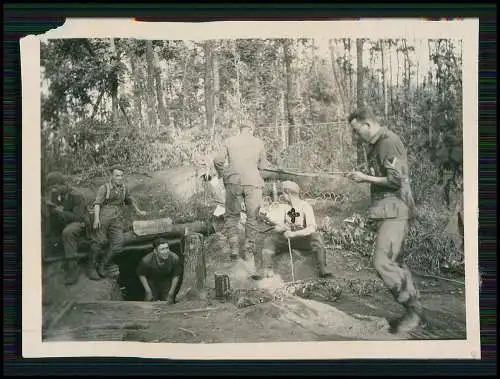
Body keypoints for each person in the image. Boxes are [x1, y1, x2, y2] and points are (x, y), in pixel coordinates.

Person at [346, 106, 422, 334]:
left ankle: (413, 312)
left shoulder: (388, 141)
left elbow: (396, 181)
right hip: (388, 210)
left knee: (383, 263)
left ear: (368, 124)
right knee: (395, 263)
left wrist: (364, 178)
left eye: (357, 131)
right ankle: (414, 311)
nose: (356, 136)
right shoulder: (378, 144)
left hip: (395, 210)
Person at [213, 121, 269, 264]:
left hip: (233, 181)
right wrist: (256, 176)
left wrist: (222, 174)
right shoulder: (258, 142)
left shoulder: (229, 141)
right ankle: (249, 252)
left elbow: (218, 160)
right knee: (252, 217)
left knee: (231, 216)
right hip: (253, 182)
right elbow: (263, 166)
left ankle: (234, 249)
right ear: (251, 129)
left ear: (240, 129)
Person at [258, 180, 333, 279]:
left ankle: (323, 269)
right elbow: (278, 226)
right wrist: (280, 227)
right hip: (287, 239)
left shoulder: (305, 206)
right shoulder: (284, 207)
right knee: (269, 240)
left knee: (317, 237)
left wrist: (294, 234)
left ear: (287, 192)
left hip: (303, 239)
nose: (282, 196)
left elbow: (311, 228)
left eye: (283, 193)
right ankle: (267, 270)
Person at [90, 166, 147, 279]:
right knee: (98, 242)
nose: (120, 178)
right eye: (117, 175)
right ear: (112, 176)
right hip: (104, 216)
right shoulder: (104, 188)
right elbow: (97, 204)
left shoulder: (123, 188)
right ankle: (91, 268)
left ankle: (103, 264)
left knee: (118, 243)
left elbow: (130, 200)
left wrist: (138, 211)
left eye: (121, 175)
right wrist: (96, 219)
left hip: (116, 218)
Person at [43, 172, 96, 285]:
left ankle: (73, 269)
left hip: (79, 222)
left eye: (56, 187)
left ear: (63, 184)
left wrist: (60, 211)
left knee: (68, 232)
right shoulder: (55, 194)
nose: (54, 190)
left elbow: (78, 216)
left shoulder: (76, 195)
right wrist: (52, 209)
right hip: (64, 220)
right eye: (52, 188)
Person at [136, 238, 184, 304]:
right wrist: (148, 291)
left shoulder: (174, 258)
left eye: (167, 248)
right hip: (151, 281)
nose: (166, 251)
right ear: (155, 251)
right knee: (149, 302)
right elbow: (141, 274)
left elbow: (176, 275)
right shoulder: (146, 261)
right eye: (162, 249)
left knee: (168, 302)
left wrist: (171, 293)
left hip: (166, 281)